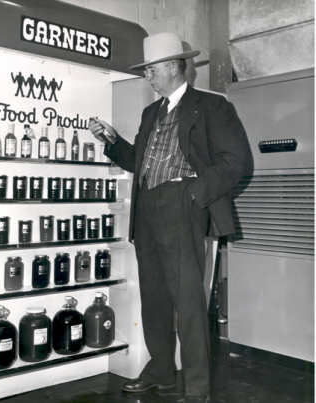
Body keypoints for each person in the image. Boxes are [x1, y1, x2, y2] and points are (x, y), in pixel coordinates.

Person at [89, 32, 253, 403]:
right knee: (155, 300)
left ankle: (197, 390)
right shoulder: (152, 112)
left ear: (175, 68)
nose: (148, 76)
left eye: (152, 70)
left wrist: (193, 193)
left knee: (189, 306)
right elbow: (139, 162)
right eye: (146, 70)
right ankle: (161, 372)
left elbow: (236, 161)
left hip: (183, 206)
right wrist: (112, 142)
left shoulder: (212, 107)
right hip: (147, 210)